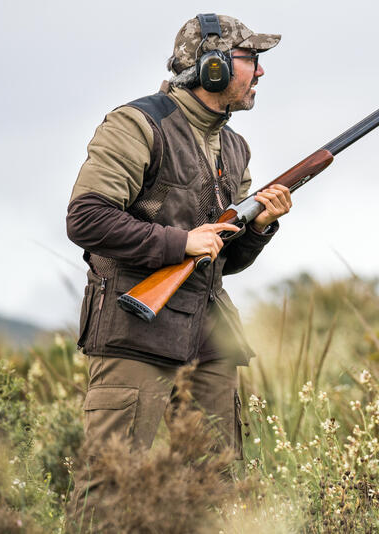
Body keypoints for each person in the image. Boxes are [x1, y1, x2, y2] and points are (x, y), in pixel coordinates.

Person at [66, 13, 289, 517]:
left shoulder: (234, 146)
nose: (260, 72)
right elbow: (86, 218)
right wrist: (178, 243)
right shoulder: (137, 124)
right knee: (110, 484)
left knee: (215, 485)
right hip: (135, 327)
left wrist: (259, 227)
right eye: (249, 59)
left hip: (209, 336)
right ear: (211, 68)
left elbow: (221, 262)